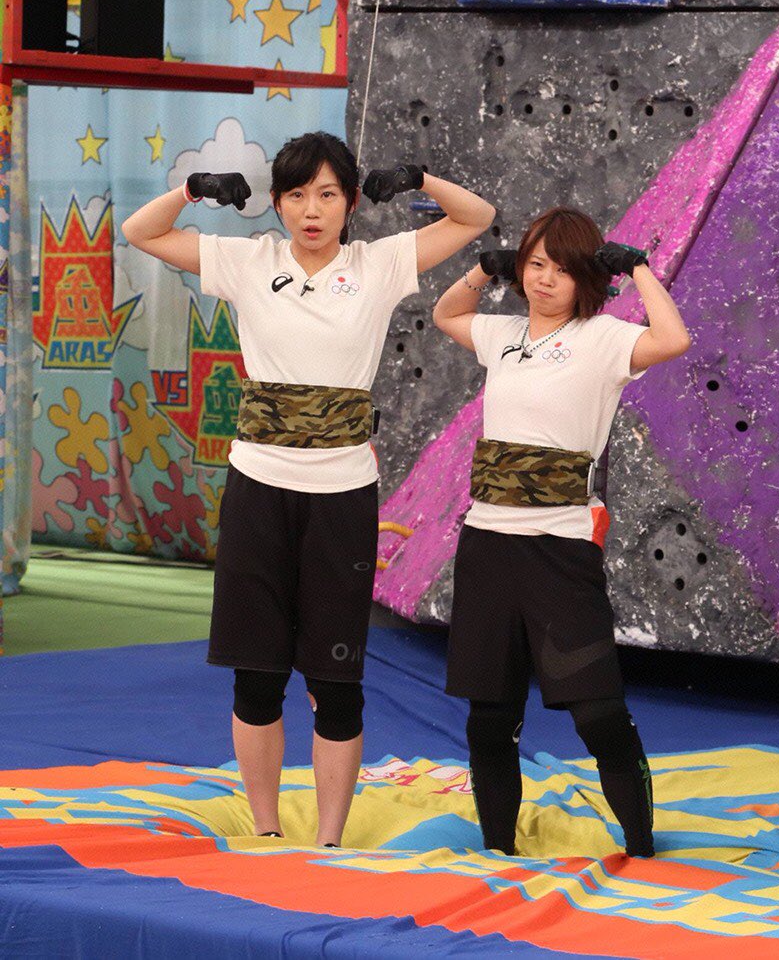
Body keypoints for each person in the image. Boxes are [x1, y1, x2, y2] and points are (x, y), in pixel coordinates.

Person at [122, 133, 495, 846]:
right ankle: (265, 830)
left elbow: (477, 217)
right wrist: (195, 190)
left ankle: (329, 839)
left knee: (336, 683)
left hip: (343, 493)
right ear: (277, 203)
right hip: (258, 488)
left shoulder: (379, 264)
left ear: (351, 202)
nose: (311, 210)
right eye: (296, 195)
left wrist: (419, 178)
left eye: (327, 194)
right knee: (256, 678)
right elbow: (143, 231)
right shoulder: (248, 259)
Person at [431, 207, 691, 857]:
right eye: (535, 264)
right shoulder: (503, 333)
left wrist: (639, 269)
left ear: (586, 279)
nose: (544, 279)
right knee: (490, 718)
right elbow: (445, 314)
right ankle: (498, 851)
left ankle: (641, 846)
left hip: (560, 549)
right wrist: (483, 269)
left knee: (598, 713)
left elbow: (673, 339)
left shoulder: (604, 338)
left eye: (562, 269)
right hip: (487, 544)